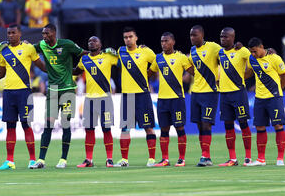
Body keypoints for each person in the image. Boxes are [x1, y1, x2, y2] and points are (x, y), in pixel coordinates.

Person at [29, 23, 87, 169]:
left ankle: (63, 159)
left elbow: (84, 54)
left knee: (66, 124)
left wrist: (77, 70)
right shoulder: (42, 45)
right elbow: (29, 50)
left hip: (68, 89)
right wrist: (23, 44)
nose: (44, 36)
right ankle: (41, 160)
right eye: (43, 34)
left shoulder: (66, 44)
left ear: (54, 33)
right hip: (53, 90)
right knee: (48, 123)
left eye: (47, 33)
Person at [0, 24, 46, 169]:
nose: (10, 35)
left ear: (20, 34)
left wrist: (55, 70)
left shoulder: (29, 48)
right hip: (8, 93)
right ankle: (10, 161)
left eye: (13, 33)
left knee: (26, 125)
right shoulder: (4, 51)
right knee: (10, 127)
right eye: (9, 33)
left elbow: (41, 66)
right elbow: (1, 73)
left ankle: (32, 160)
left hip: (24, 92)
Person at [115, 27, 157, 167]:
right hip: (127, 96)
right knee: (125, 129)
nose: (128, 39)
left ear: (136, 38)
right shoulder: (121, 51)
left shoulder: (145, 51)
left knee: (148, 127)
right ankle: (124, 160)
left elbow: (158, 62)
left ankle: (151, 158)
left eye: (130, 36)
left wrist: (148, 75)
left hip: (142, 95)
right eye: (125, 37)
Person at [149, 32, 194, 167]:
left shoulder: (181, 57)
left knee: (179, 128)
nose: (163, 44)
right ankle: (165, 159)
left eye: (166, 41)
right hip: (162, 100)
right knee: (164, 130)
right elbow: (148, 74)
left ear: (173, 42)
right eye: (162, 41)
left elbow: (194, 72)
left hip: (177, 99)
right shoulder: (158, 58)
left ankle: (181, 159)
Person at [72, 36, 117, 168]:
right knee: (89, 130)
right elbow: (77, 71)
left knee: (106, 129)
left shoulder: (108, 56)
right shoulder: (84, 59)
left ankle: (109, 159)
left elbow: (123, 62)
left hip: (105, 99)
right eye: (89, 41)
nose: (91, 43)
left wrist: (117, 51)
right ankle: (88, 160)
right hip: (89, 99)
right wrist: (62, 67)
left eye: (94, 41)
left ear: (101, 44)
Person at [246, 37, 285, 166]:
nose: (253, 54)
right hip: (259, 98)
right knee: (259, 126)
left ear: (261, 47)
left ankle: (280, 158)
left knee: (278, 126)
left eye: (255, 51)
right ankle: (261, 159)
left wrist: (279, 88)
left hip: (274, 97)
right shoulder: (252, 59)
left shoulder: (274, 58)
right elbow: (249, 73)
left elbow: (284, 75)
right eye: (251, 52)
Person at [216, 27, 254, 166]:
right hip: (224, 94)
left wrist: (242, 78)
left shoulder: (242, 51)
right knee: (228, 126)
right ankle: (232, 158)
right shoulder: (219, 52)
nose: (223, 39)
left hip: (239, 93)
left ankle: (248, 157)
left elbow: (252, 67)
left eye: (226, 37)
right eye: (221, 36)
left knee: (243, 124)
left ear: (233, 38)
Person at [188, 25, 222, 167]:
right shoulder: (192, 51)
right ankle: (204, 155)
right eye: (190, 35)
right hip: (195, 93)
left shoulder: (213, 47)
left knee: (207, 124)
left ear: (202, 35)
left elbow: (226, 57)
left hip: (210, 93)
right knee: (199, 125)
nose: (192, 38)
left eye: (195, 35)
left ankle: (206, 157)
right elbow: (190, 67)